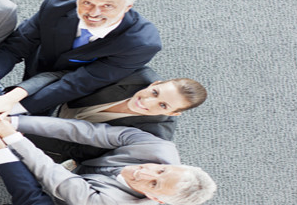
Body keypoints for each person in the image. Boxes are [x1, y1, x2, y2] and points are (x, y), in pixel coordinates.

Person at [0, 115, 216, 205]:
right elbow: (84, 131)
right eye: (161, 170)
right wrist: (12, 122)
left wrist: (8, 136)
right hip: (92, 174)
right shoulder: (159, 147)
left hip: (89, 204)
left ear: (155, 199)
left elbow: (51, 175)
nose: (144, 173)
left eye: (154, 184)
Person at [0, 0, 161, 117]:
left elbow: (77, 83)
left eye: (107, 6)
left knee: (36, 116)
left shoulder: (141, 43)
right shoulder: (56, 6)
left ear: (128, 7)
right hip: (42, 61)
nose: (93, 13)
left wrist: (11, 108)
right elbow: (15, 46)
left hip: (85, 81)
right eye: (87, 2)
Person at [19, 67, 207, 161]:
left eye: (163, 105)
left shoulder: (151, 136)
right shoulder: (134, 74)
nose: (146, 102)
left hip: (70, 141)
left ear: (173, 114)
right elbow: (67, 78)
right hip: (66, 103)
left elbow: (81, 152)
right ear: (154, 84)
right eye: (155, 93)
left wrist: (21, 132)